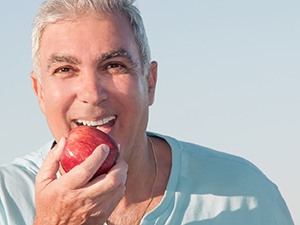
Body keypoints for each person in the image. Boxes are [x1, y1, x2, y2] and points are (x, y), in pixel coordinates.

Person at [0, 0, 295, 224]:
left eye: (114, 65)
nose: (91, 93)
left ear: (149, 83)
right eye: (65, 69)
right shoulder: (6, 199)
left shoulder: (246, 193)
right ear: (39, 92)